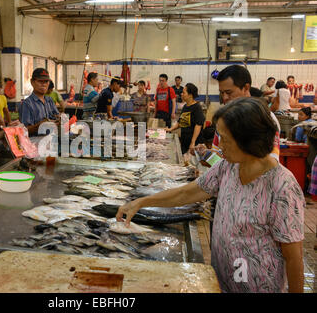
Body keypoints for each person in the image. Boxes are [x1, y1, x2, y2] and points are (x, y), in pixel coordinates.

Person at [117, 98, 305, 293]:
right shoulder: (229, 167)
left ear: (249, 140)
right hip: (221, 283)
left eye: (225, 139)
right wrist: (141, 202)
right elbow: (189, 192)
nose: (220, 146)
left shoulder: (282, 187)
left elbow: (293, 257)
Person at [166, 83, 205, 155]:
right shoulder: (185, 107)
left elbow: (198, 125)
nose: (181, 94)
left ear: (190, 95)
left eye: (184, 92)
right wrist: (170, 129)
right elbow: (180, 122)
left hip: (194, 142)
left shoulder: (197, 107)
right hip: (185, 140)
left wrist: (193, 142)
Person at [19, 68, 60, 136]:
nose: (43, 84)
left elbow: (56, 116)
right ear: (32, 82)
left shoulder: (49, 100)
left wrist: (59, 119)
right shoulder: (27, 104)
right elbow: (24, 131)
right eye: (40, 81)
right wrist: (39, 126)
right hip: (35, 143)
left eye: (46, 81)